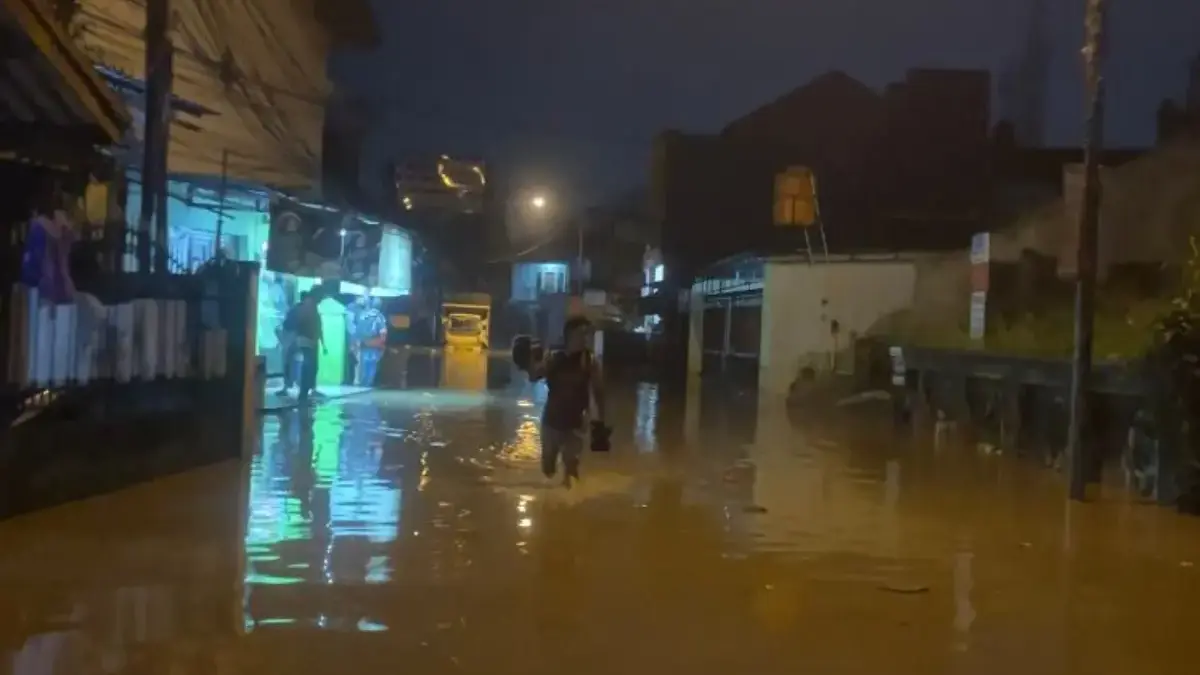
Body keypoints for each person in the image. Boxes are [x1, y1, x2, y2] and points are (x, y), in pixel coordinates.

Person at [527, 316, 606, 488]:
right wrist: (533, 358)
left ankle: (569, 503)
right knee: (548, 468)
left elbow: (599, 393)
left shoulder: (590, 361)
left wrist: (600, 424)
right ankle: (549, 502)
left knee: (571, 466)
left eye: (587, 335)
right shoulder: (554, 358)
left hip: (576, 424)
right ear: (569, 336)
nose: (585, 339)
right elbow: (534, 377)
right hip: (552, 422)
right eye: (581, 334)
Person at [293, 291, 326, 402]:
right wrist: (319, 341)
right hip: (308, 340)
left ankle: (304, 392)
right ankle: (304, 392)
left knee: (309, 366)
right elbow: (316, 326)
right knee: (309, 366)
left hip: (305, 339)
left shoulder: (306, 306)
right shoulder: (310, 307)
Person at [275, 292, 307, 397]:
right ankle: (297, 385)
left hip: (291, 337)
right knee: (298, 362)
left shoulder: (295, 309)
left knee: (289, 362)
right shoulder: (304, 309)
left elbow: (287, 323)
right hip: (297, 337)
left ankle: (288, 386)